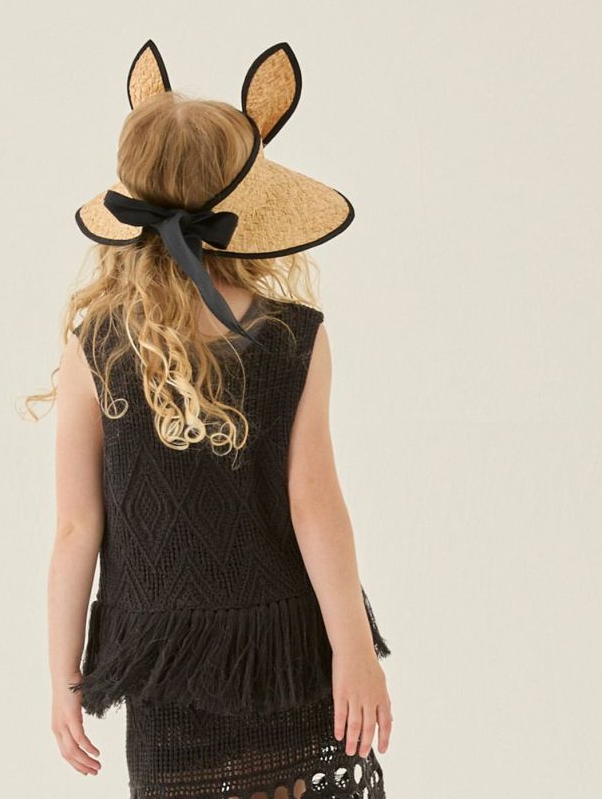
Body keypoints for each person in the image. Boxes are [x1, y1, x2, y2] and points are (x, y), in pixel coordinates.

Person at [34, 39, 393, 799]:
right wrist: (354, 649)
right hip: (287, 657)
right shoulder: (293, 336)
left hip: (166, 670)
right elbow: (314, 505)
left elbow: (75, 528)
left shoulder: (95, 345)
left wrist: (64, 678)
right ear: (245, 201)